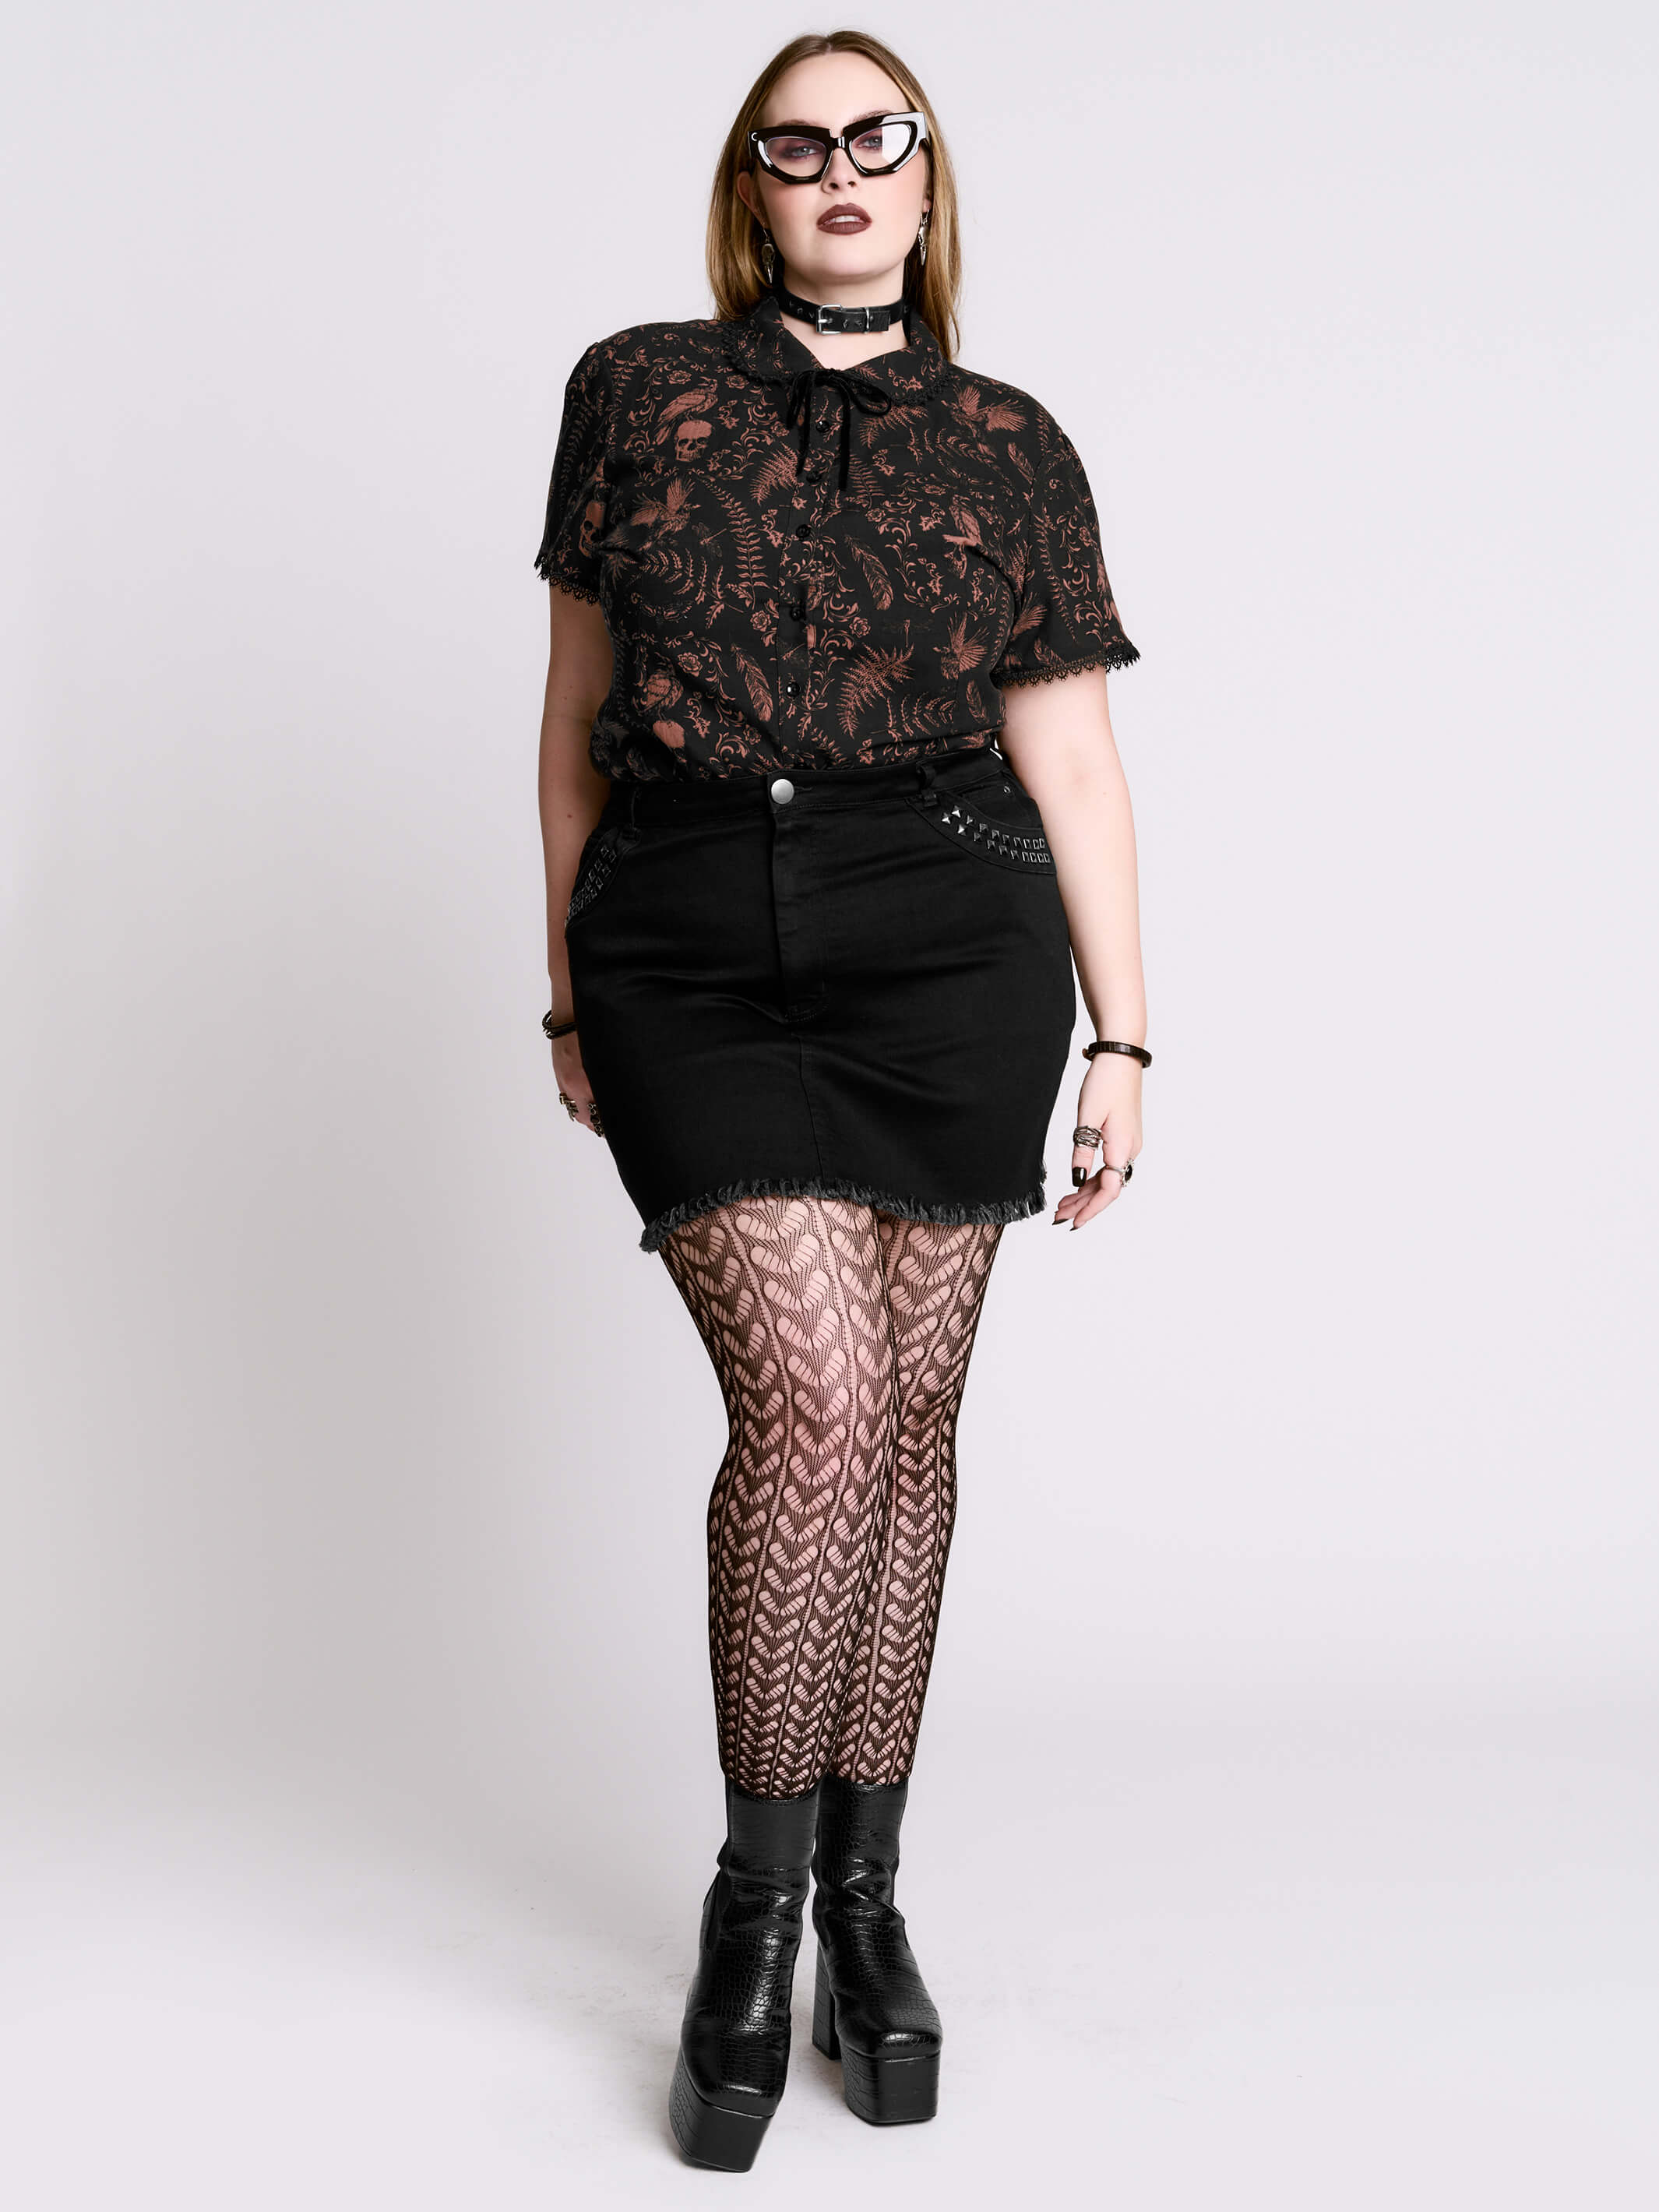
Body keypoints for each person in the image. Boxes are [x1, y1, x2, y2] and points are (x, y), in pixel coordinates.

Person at [534, 28, 1148, 2172]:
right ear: (752, 191)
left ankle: (866, 1902)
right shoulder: (636, 392)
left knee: (910, 1425)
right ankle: (751, 1908)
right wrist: (565, 988)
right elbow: (572, 716)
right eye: (795, 148)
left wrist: (1124, 1039)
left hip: (950, 945)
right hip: (690, 935)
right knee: (812, 1406)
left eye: (877, 139)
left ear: (926, 177)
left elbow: (1072, 759)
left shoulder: (1010, 441)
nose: (841, 173)